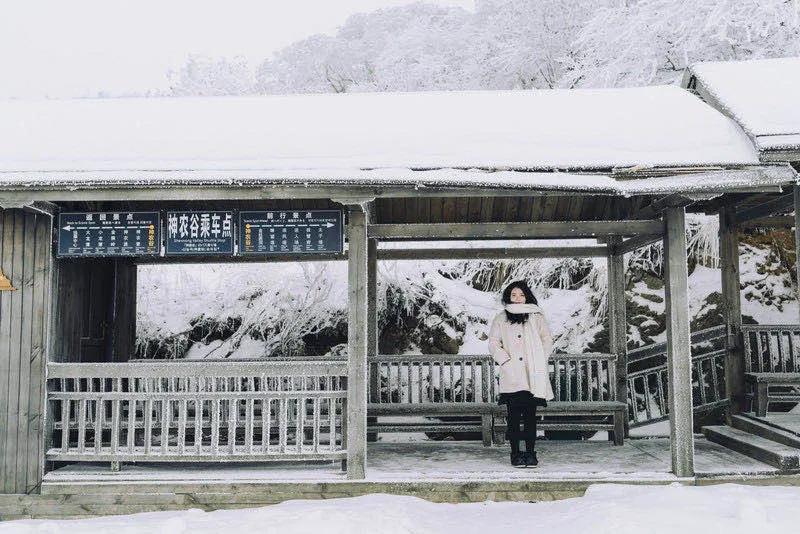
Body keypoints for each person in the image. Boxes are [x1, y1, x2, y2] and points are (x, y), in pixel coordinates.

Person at [488, 280, 554, 468]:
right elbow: (493, 342)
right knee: (514, 417)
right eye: (513, 295)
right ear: (508, 297)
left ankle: (531, 453)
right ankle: (516, 453)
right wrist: (506, 361)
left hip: (532, 374)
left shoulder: (536, 316)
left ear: (527, 296)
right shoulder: (501, 317)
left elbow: (546, 339)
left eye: (521, 295)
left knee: (531, 416)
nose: (517, 298)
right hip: (513, 375)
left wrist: (541, 358)